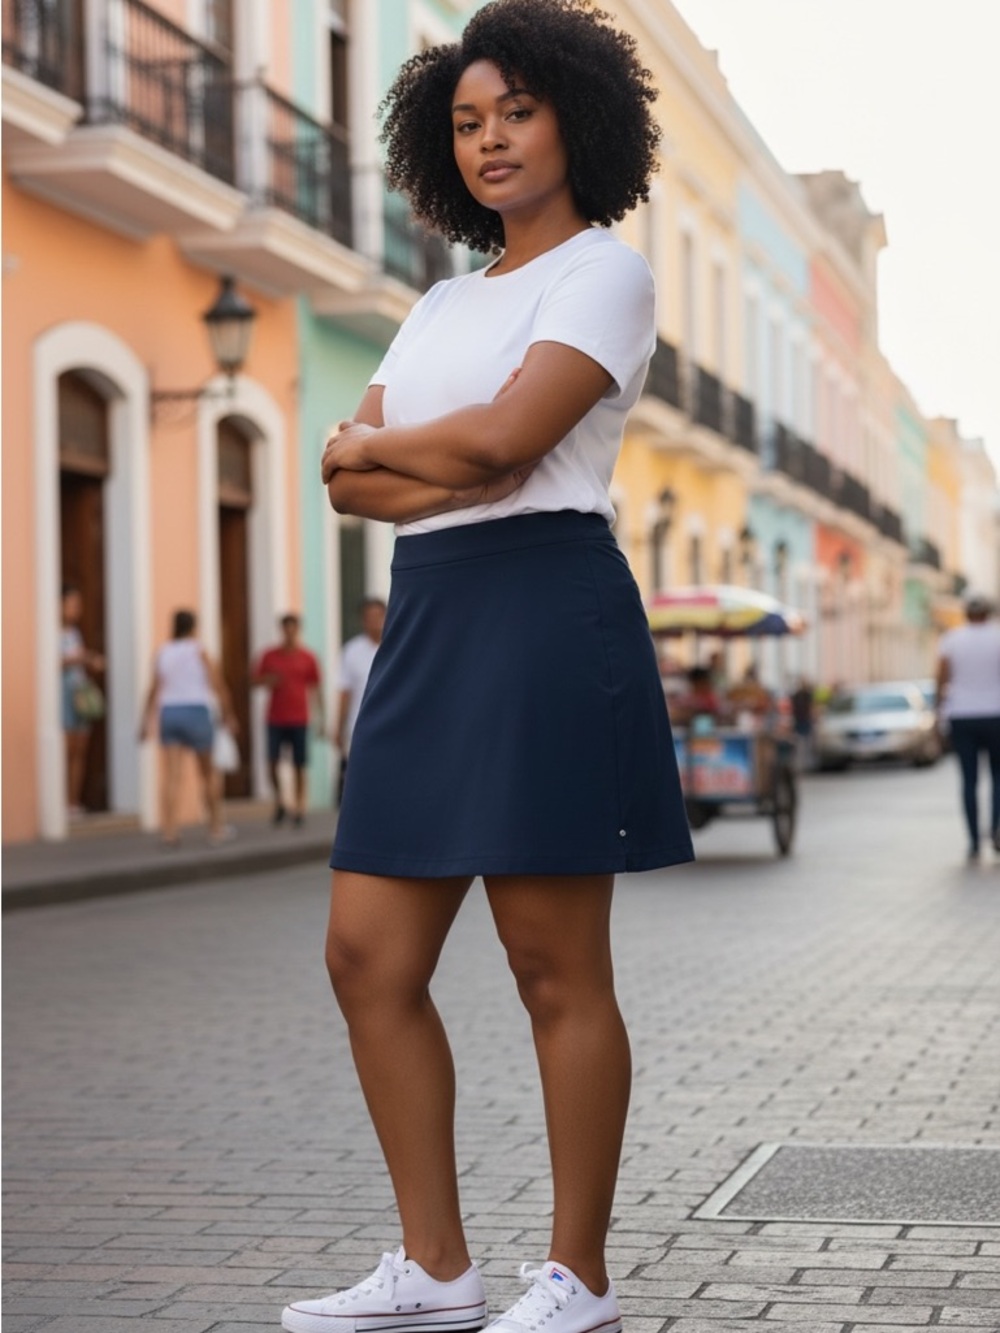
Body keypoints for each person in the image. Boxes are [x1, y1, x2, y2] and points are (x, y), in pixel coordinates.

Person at [281, 5, 693, 1333]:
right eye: (467, 121)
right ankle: (436, 1269)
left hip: (545, 613)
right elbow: (359, 482)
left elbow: (511, 443)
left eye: (515, 110)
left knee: (549, 961)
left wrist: (397, 454)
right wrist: (409, 459)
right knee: (364, 955)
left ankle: (577, 1277)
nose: (492, 139)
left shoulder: (603, 277)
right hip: (433, 618)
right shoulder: (445, 302)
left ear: (575, 114)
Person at [140, 609, 237, 846]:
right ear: (194, 627)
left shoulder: (162, 652)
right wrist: (228, 713)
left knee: (172, 776)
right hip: (196, 711)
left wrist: (145, 720)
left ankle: (170, 831)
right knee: (208, 774)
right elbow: (217, 684)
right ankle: (215, 827)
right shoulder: (199, 651)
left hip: (170, 713)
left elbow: (153, 689)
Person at [935, 594, 1000, 861]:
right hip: (996, 713)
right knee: (999, 777)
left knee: (969, 780)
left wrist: (937, 712)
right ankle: (996, 830)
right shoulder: (998, 637)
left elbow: (942, 677)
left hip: (961, 715)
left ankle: (974, 841)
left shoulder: (952, 639)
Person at [252, 613, 324, 827]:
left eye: (293, 629)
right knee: (272, 762)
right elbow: (254, 681)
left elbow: (315, 689)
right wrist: (268, 680)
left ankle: (300, 806)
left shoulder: (308, 657)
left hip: (300, 718)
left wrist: (321, 718)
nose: (290, 633)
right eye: (286, 629)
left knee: (299, 764)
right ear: (282, 630)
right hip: (275, 717)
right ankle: (280, 800)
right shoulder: (269, 656)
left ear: (298, 630)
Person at [334, 598, 386, 805]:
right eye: (368, 618)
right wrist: (338, 727)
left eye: (377, 617)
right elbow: (344, 691)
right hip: (361, 725)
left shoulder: (399, 645)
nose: (373, 622)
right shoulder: (352, 650)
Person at [60, 583, 105, 817]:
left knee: (79, 749)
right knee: (65, 749)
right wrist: (80, 659)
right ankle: (61, 799)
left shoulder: (75, 633)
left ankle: (72, 801)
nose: (77, 609)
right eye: (72, 603)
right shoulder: (52, 632)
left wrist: (89, 661)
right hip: (63, 695)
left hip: (79, 694)